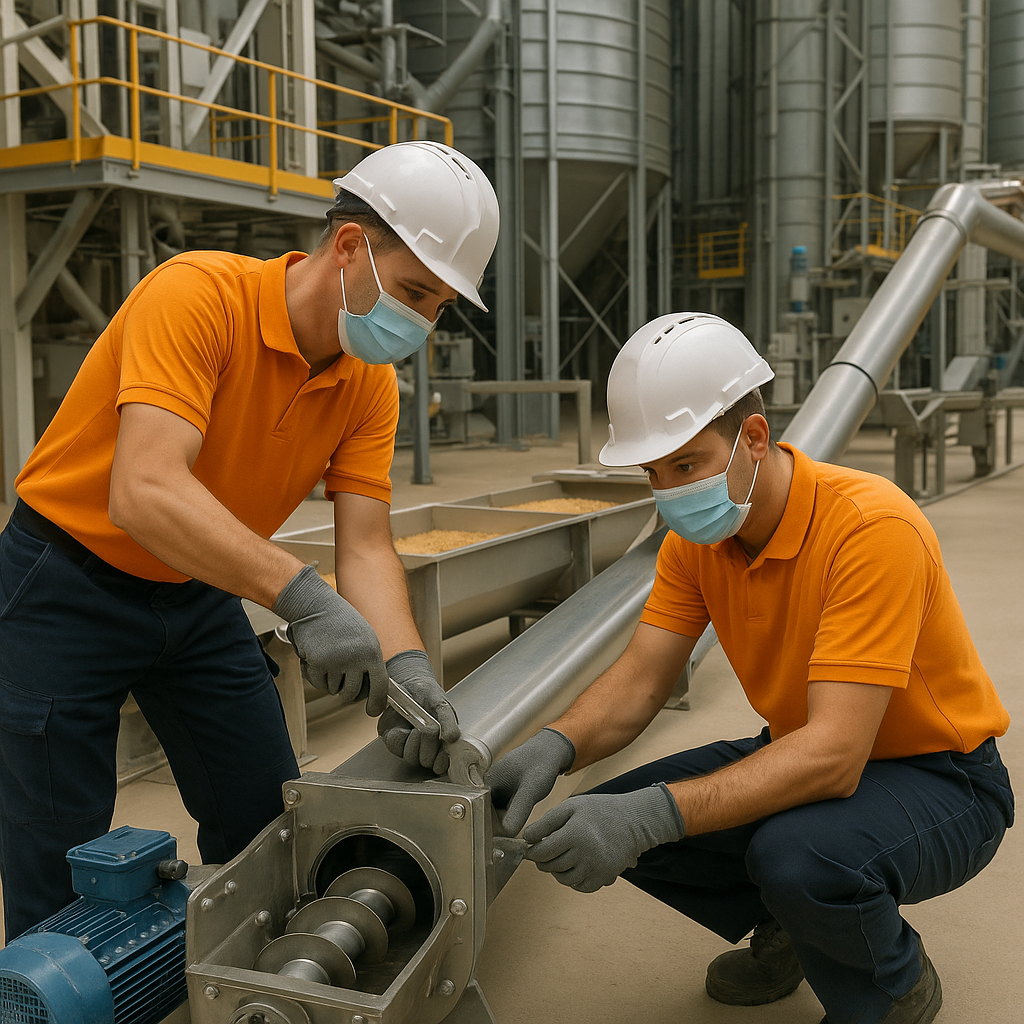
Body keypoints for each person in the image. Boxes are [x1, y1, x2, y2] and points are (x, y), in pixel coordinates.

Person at [0, 141, 498, 941]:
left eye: (438, 307)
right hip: (66, 583)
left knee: (268, 817)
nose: (421, 323)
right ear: (348, 247)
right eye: (413, 292)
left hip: (197, 592)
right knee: (56, 857)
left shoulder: (368, 381)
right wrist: (302, 598)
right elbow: (145, 490)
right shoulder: (198, 296)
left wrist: (407, 669)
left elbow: (367, 546)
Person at [486, 313, 1013, 1024]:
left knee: (797, 857)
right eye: (653, 472)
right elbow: (641, 681)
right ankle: (798, 928)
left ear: (754, 438)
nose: (669, 491)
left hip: (941, 776)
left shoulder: (870, 530)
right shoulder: (695, 544)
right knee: (620, 808)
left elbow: (834, 757)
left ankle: (893, 989)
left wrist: (651, 817)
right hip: (810, 749)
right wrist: (556, 746)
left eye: (685, 465)